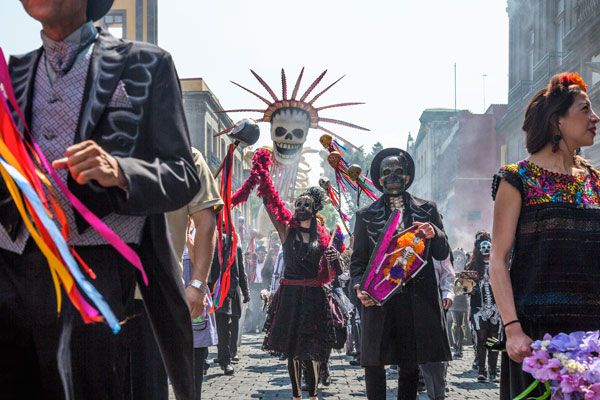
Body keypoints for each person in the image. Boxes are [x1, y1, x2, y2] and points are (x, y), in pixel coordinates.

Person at [0, 1, 201, 399]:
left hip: (96, 271)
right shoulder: (14, 72)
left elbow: (184, 174)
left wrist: (122, 171)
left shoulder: (147, 65)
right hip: (10, 268)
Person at [490, 72, 600, 399]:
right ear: (557, 121)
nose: (595, 118)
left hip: (593, 335)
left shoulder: (595, 180)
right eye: (585, 109)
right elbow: (497, 259)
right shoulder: (517, 179)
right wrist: (512, 329)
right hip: (537, 338)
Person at [350, 148, 451, 400]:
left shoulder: (427, 210)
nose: (393, 176)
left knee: (410, 365)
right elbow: (357, 263)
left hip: (416, 301)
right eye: (387, 172)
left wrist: (435, 232)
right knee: (374, 364)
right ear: (379, 179)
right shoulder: (365, 216)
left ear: (407, 176)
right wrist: (359, 287)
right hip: (378, 299)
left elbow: (442, 253)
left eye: (398, 171)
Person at [129, 146, 223, 400]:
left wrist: (198, 284)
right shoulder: (96, 139)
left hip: (151, 295)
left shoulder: (187, 155)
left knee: (145, 386)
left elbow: (206, 223)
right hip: (101, 290)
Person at [209, 237, 250, 375]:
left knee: (225, 326)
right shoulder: (205, 241)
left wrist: (242, 292)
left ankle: (226, 359)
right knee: (210, 326)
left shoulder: (233, 246)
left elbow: (238, 272)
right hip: (207, 290)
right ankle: (207, 359)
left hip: (226, 292)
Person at [419, 253, 455, 400]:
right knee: (419, 351)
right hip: (410, 301)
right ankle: (422, 384)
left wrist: (447, 293)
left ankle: (438, 393)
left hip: (436, 301)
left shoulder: (439, 244)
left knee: (437, 350)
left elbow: (447, 272)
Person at [466, 232, 500, 383]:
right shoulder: (473, 266)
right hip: (478, 307)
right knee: (481, 337)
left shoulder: (499, 263)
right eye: (483, 247)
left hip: (496, 307)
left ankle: (492, 370)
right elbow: (465, 288)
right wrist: (469, 288)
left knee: (493, 338)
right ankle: (481, 370)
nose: (485, 250)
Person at [245, 244, 269, 333]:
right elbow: (248, 273)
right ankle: (253, 327)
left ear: (265, 255)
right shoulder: (253, 264)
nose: (261, 255)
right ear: (257, 254)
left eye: (263, 254)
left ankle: (262, 327)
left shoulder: (268, 264)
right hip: (254, 286)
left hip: (264, 287)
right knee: (255, 307)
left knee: (264, 307)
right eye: (259, 253)